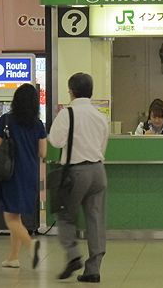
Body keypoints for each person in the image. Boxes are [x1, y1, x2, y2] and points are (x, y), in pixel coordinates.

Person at [49, 73, 109, 283]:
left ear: (71, 91)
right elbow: (103, 146)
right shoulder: (100, 115)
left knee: (65, 214)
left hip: (75, 172)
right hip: (98, 171)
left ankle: (73, 254)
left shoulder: (68, 114)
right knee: (95, 220)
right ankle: (93, 269)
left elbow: (55, 141)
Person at [0, 83, 47, 269]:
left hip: (11, 174)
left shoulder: (6, 120)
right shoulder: (38, 125)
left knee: (11, 218)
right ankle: (13, 257)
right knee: (17, 216)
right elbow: (43, 152)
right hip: (30, 173)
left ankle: (32, 247)